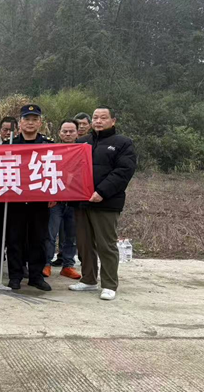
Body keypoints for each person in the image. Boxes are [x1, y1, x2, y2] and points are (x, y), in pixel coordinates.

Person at [70, 107, 137, 301]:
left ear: (113, 121)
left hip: (106, 202)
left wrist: (102, 192)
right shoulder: (82, 142)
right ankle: (88, 279)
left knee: (106, 244)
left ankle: (109, 284)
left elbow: (123, 171)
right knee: (84, 243)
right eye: (95, 118)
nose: (98, 121)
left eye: (103, 118)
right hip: (82, 201)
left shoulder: (123, 143)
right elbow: (71, 169)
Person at [6, 105, 53, 291]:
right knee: (14, 239)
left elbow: (56, 172)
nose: (30, 123)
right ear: (20, 123)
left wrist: (55, 195)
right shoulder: (9, 145)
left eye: (34, 119)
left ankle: (36, 276)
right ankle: (15, 276)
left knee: (38, 239)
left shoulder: (48, 145)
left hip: (39, 201)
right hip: (15, 200)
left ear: (40, 123)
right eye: (27, 119)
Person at [44, 119, 82, 280]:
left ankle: (68, 265)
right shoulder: (52, 151)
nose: (68, 134)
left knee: (70, 236)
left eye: (71, 131)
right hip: (56, 200)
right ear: (59, 133)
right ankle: (46, 263)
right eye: (65, 131)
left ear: (77, 133)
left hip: (74, 200)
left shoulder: (83, 150)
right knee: (50, 234)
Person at [0, 116, 18, 276]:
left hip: (17, 195)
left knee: (17, 232)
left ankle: (20, 263)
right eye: (5, 129)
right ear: (0, 130)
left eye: (11, 130)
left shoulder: (22, 145)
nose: (8, 133)